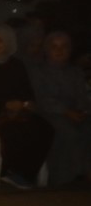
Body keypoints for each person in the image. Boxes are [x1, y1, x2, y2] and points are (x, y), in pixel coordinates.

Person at [0, 26, 52, 190]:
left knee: (45, 128)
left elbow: (27, 92)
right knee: (14, 130)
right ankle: (6, 172)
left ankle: (24, 174)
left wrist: (26, 104)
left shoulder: (16, 65)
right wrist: (5, 104)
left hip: (16, 111)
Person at [32, 32, 91, 186]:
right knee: (67, 132)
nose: (60, 50)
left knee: (88, 128)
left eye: (64, 46)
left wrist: (82, 111)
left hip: (74, 114)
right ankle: (64, 178)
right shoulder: (38, 71)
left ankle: (86, 173)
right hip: (48, 113)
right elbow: (41, 99)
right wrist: (66, 111)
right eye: (54, 47)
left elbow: (82, 97)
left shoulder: (75, 72)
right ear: (47, 49)